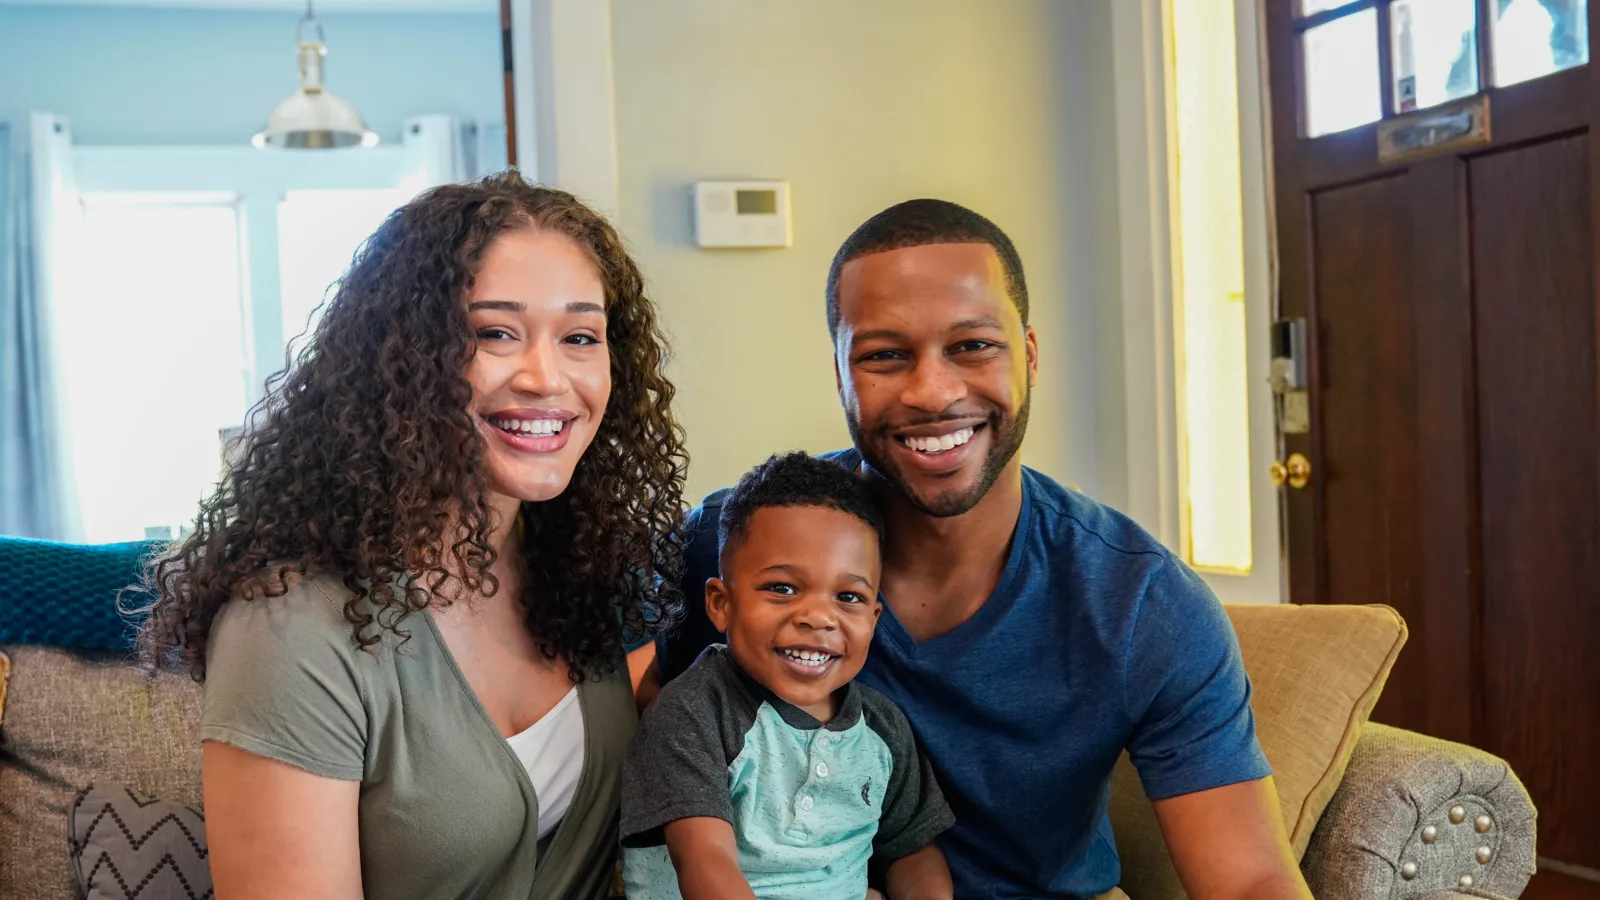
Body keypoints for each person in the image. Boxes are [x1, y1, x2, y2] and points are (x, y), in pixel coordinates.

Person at [650, 200, 1313, 900]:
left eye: (973, 346)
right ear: (841, 371)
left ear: (1028, 354)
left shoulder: (1141, 604)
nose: (933, 392)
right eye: (883, 355)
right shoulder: (730, 546)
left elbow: (1249, 880)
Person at [138, 172, 688, 900]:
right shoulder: (291, 627)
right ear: (399, 362)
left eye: (580, 336)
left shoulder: (587, 572)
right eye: (494, 333)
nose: (547, 377)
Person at [621, 452, 953, 900]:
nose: (818, 617)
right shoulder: (692, 714)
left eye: (848, 596)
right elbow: (705, 861)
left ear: (874, 618)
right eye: (782, 588)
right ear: (721, 603)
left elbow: (913, 850)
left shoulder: (883, 730)